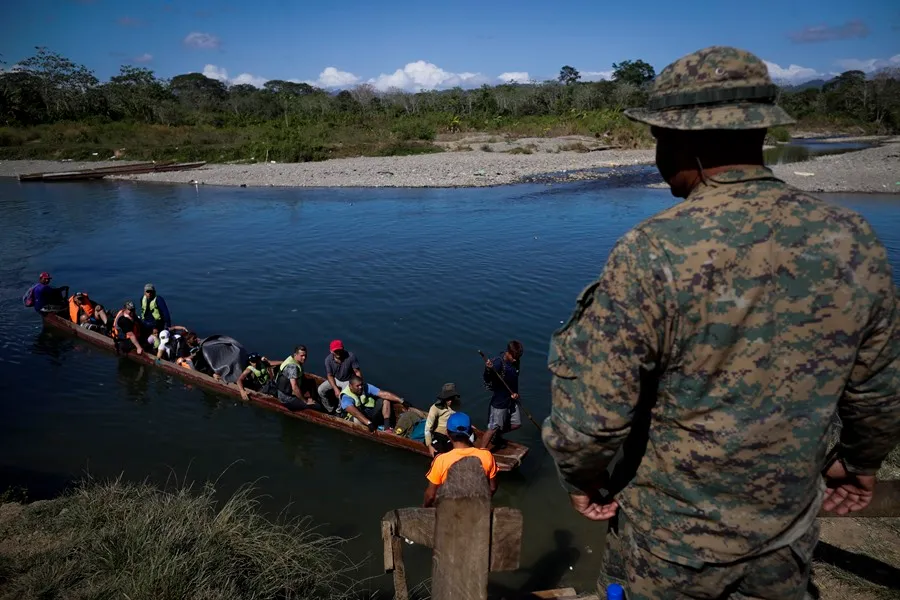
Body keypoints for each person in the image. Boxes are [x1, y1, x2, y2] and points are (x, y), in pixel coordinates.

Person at [541, 46, 900, 600]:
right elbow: (877, 387)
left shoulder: (654, 250)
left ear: (684, 140)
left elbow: (593, 414)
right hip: (786, 531)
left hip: (671, 542)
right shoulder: (852, 239)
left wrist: (584, 479)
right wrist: (861, 462)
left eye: (659, 140)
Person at [423, 412, 498, 507]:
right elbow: (492, 488)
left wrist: (425, 508)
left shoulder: (441, 460)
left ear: (447, 433)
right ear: (470, 432)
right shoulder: (486, 456)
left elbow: (430, 496)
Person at [317, 340, 405, 413]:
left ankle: (339, 412)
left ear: (343, 349)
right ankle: (329, 409)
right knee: (320, 390)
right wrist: (335, 388)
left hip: (349, 380)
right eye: (336, 351)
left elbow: (357, 372)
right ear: (331, 351)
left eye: (340, 350)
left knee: (342, 396)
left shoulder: (350, 357)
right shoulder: (328, 360)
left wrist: (360, 385)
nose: (338, 353)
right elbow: (330, 375)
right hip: (336, 379)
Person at [479, 340, 524, 450]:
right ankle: (481, 451)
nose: (515, 359)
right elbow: (487, 378)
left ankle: (497, 435)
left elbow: (514, 380)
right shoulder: (498, 363)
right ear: (507, 352)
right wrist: (488, 369)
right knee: (492, 428)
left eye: (517, 357)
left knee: (516, 424)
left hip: (511, 400)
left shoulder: (516, 362)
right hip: (499, 402)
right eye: (513, 356)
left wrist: (516, 394)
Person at [274, 345, 317, 410]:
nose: (304, 358)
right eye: (301, 356)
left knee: (312, 382)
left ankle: (313, 398)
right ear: (295, 355)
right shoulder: (293, 367)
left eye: (305, 355)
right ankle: (312, 403)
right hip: (286, 397)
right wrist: (305, 401)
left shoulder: (293, 359)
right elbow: (294, 387)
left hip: (290, 389)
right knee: (313, 406)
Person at [425, 383, 460, 456]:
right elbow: (428, 428)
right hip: (439, 434)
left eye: (452, 398)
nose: (450, 401)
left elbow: (458, 416)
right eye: (447, 399)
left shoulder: (456, 404)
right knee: (440, 454)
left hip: (452, 433)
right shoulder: (435, 408)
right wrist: (429, 445)